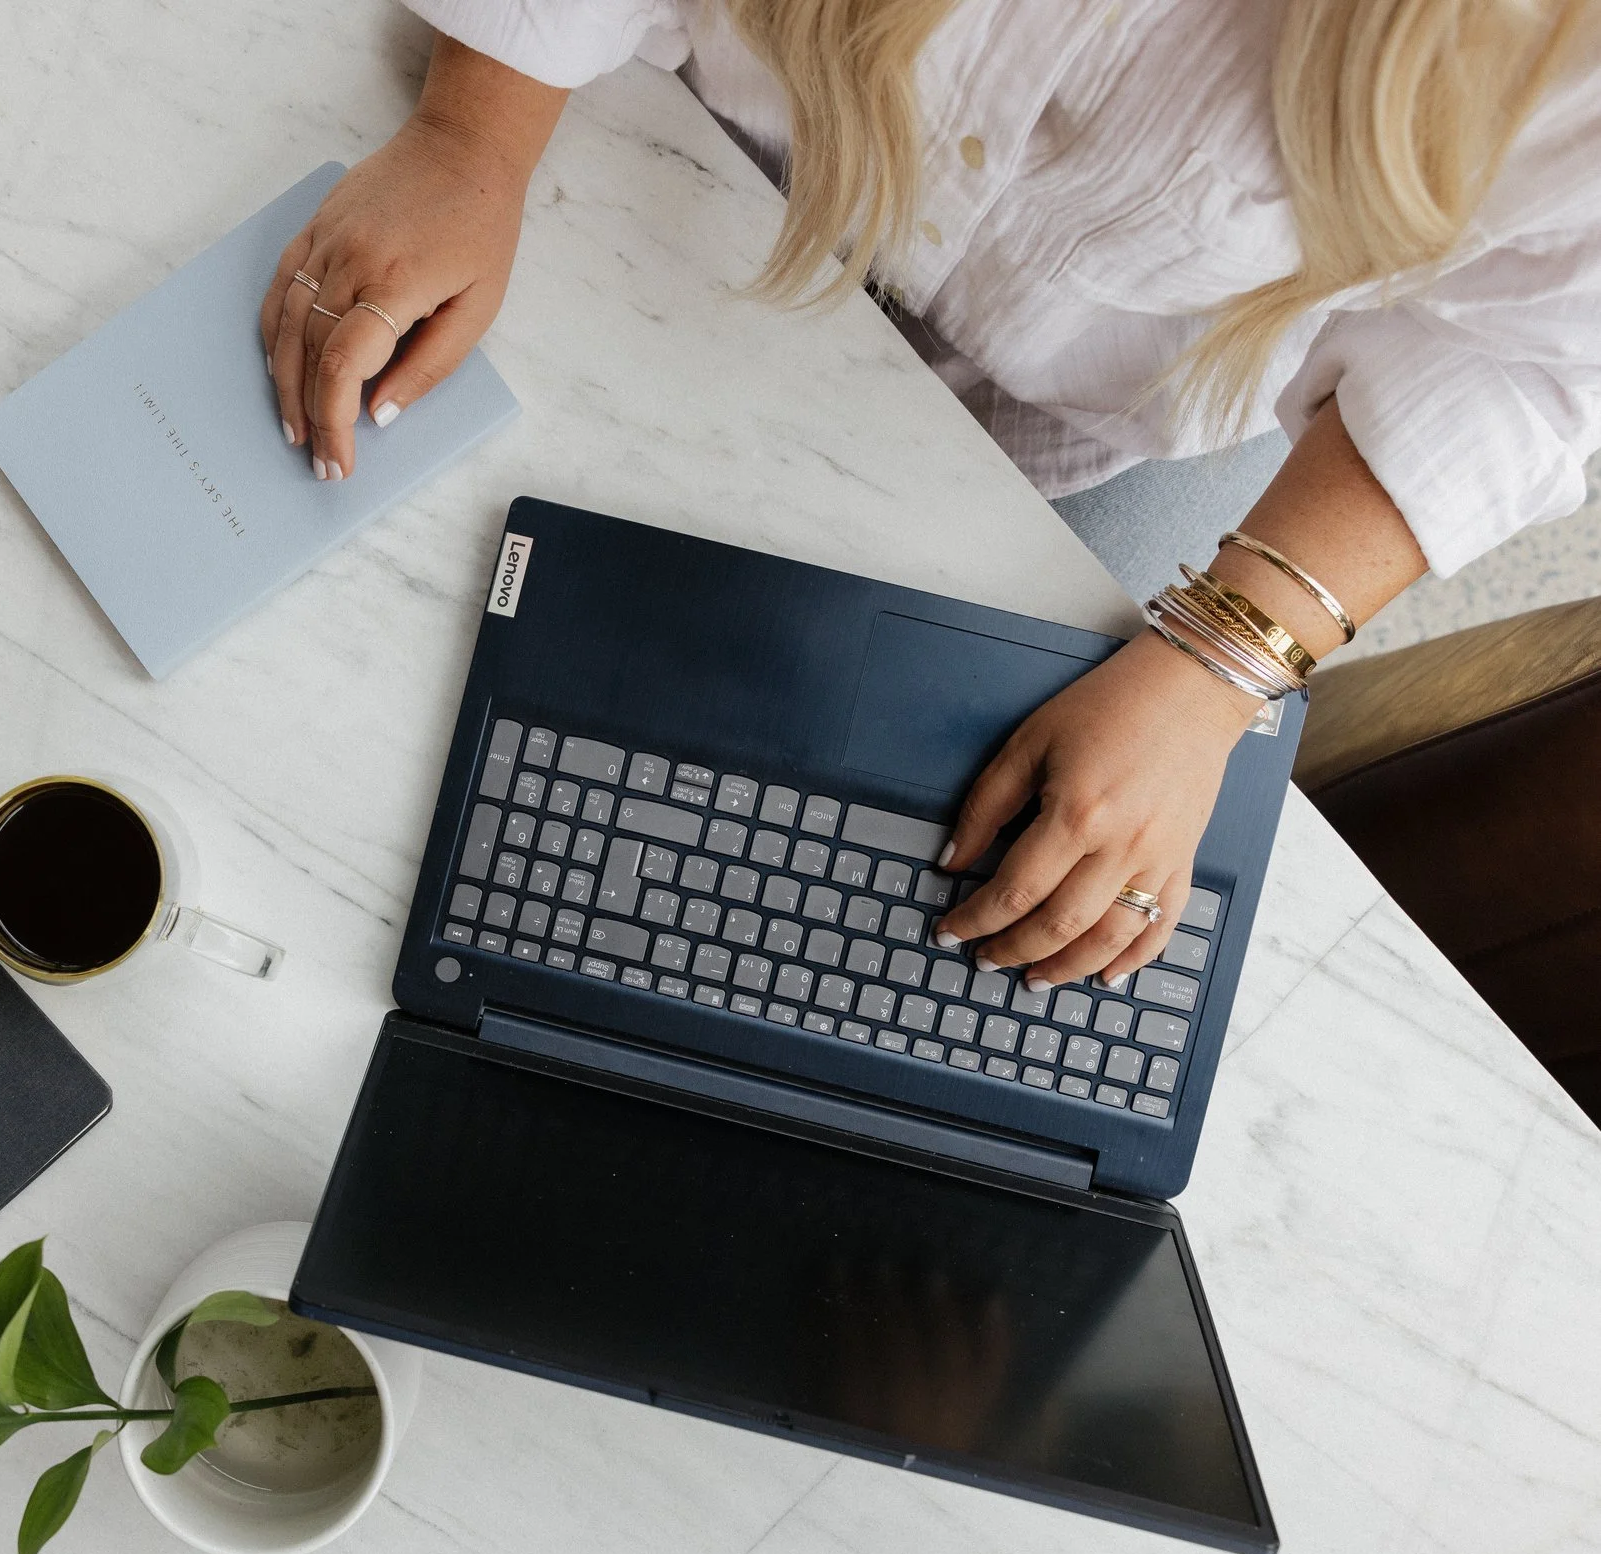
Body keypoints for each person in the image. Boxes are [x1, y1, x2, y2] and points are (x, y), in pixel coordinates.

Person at [261, 0, 1601, 988]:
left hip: (1086, 401)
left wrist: (1218, 667)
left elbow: (1523, 359)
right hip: (667, 104)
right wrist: (468, 136)